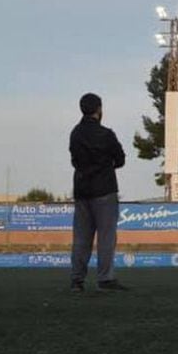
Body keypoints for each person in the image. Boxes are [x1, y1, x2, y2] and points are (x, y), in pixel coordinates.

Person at [69, 92, 127, 292]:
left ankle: (77, 280)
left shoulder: (75, 133)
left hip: (82, 190)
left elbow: (74, 161)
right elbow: (120, 159)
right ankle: (105, 278)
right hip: (105, 190)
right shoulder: (106, 134)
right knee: (106, 237)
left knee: (81, 238)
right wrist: (106, 164)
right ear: (99, 109)